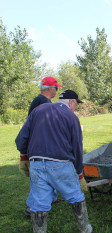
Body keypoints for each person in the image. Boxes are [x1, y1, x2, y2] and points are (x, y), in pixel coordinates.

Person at [15, 90, 92, 233]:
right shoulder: (71, 116)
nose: (76, 108)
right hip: (61, 164)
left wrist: (23, 157)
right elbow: (76, 147)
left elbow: (21, 138)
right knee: (75, 196)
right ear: (71, 102)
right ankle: (85, 229)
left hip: (36, 165)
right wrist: (79, 173)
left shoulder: (38, 110)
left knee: (39, 203)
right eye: (76, 104)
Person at [24, 76, 63, 217]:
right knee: (40, 176)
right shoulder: (44, 102)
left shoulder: (40, 101)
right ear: (50, 88)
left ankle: (51, 198)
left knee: (47, 173)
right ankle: (31, 207)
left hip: (40, 143)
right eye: (56, 88)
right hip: (40, 145)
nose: (56, 91)